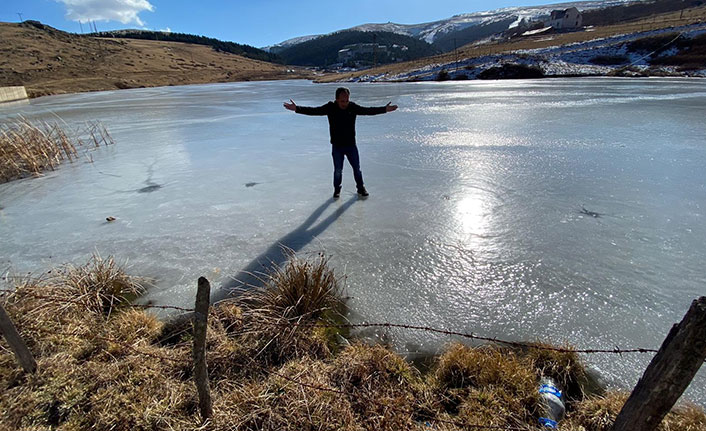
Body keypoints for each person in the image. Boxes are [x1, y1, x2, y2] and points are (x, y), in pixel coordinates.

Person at [283, 87, 398, 198]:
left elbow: (367, 110)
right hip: (337, 146)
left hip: (351, 145)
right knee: (338, 170)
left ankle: (361, 188)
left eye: (347, 100)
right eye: (342, 101)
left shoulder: (352, 107)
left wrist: (384, 109)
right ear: (337, 99)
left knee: (357, 169)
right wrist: (297, 108)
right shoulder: (330, 107)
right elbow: (314, 111)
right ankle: (337, 190)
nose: (345, 103)